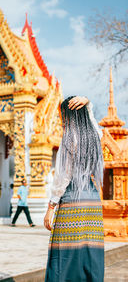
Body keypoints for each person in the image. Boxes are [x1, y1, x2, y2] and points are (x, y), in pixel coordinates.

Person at [44, 96, 104, 282]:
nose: (63, 120)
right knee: (89, 249)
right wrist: (88, 104)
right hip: (92, 200)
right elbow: (94, 125)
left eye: (64, 115)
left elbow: (63, 176)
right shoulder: (95, 135)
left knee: (64, 250)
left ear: (69, 115)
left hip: (73, 198)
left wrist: (51, 208)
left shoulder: (69, 137)